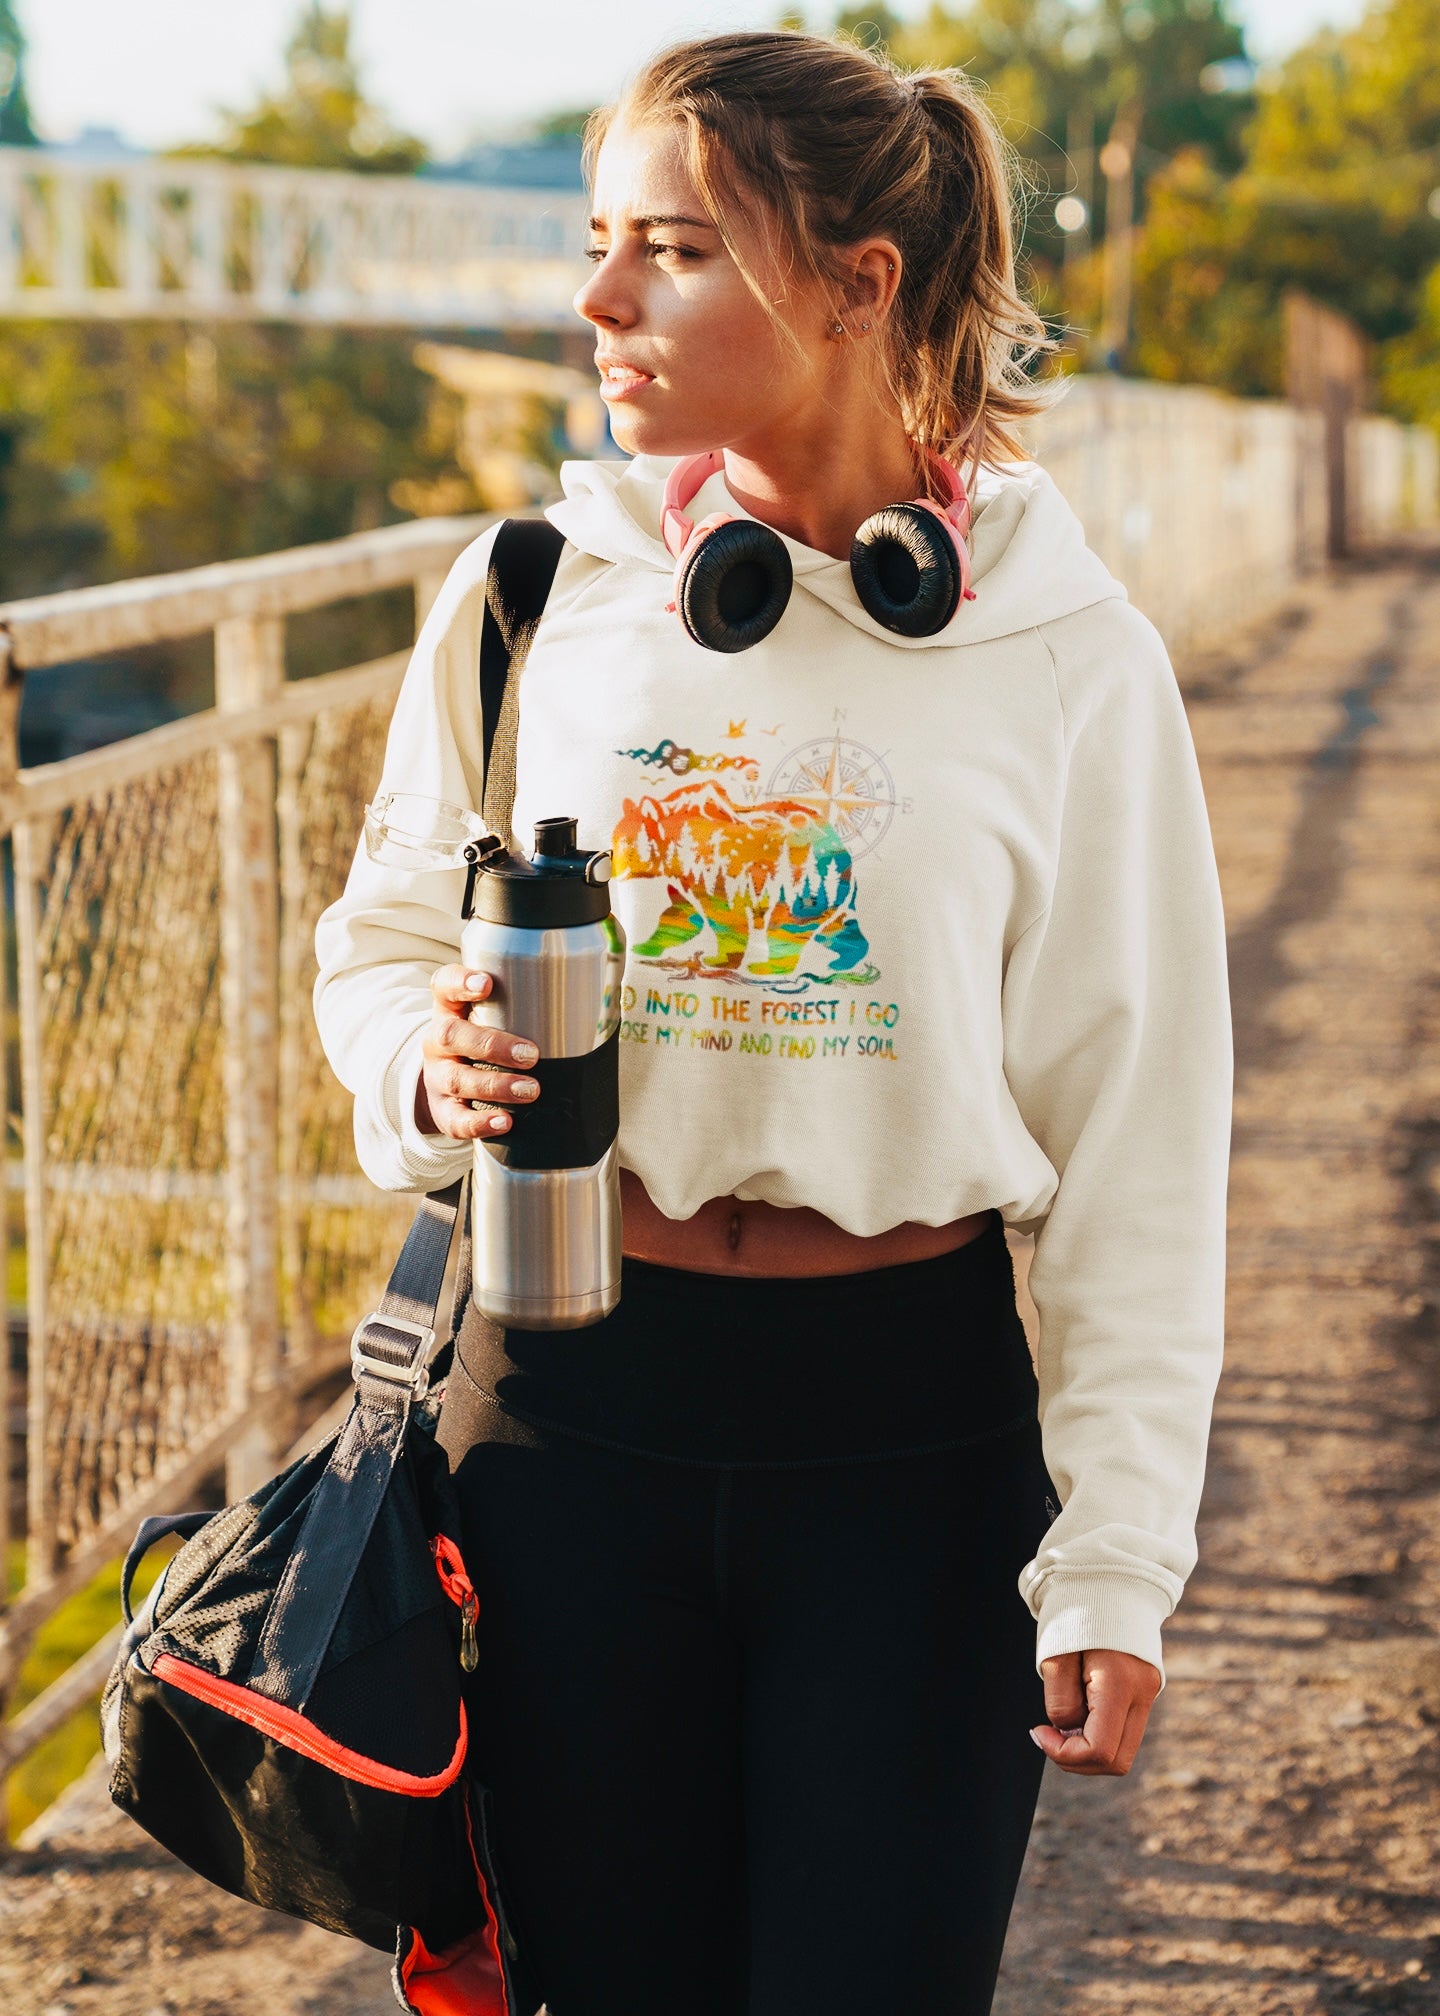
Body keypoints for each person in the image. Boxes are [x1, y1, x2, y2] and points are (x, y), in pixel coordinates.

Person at [314, 29, 1231, 2016]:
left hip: (909, 1454)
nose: (597, 302)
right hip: (560, 1422)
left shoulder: (1069, 652)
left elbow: (1141, 1138)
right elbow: (378, 943)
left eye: (672, 249)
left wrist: (1118, 1559)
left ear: (854, 280)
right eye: (595, 242)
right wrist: (422, 1063)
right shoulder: (537, 594)